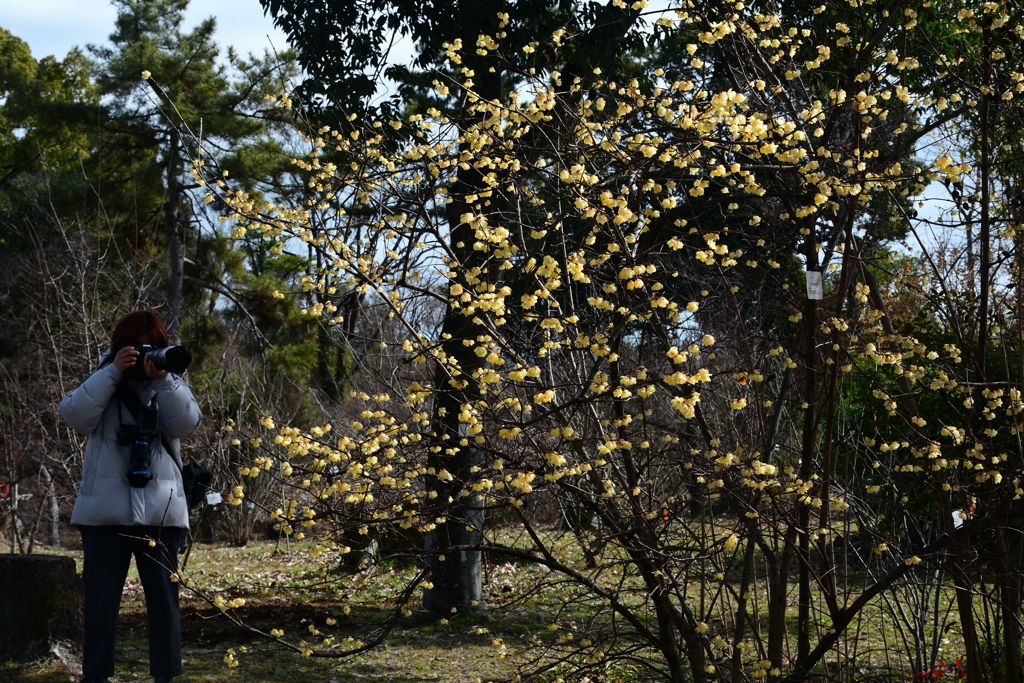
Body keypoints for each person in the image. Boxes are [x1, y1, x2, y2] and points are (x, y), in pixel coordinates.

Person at [60, 311, 201, 683]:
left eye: (152, 346)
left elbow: (187, 422)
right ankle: (96, 677)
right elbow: (74, 415)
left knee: (165, 608)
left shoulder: (167, 381)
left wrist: (164, 380)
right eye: (137, 348)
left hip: (161, 512)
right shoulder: (103, 379)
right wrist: (111, 372)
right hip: (105, 517)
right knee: (100, 608)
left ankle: (166, 678)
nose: (145, 355)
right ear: (120, 346)